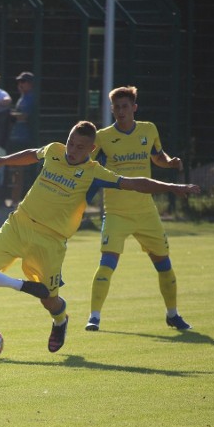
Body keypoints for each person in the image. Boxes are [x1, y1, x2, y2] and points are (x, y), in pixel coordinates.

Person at [0, 120, 200, 353]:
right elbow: (32, 154)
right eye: (70, 143)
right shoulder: (54, 151)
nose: (71, 150)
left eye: (78, 147)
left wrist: (173, 187)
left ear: (91, 149)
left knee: (48, 299)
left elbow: (134, 182)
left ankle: (60, 320)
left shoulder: (94, 172)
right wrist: (1, 161)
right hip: (17, 226)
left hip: (50, 242)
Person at [85, 86, 189, 333]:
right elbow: (88, 169)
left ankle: (173, 315)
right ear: (112, 109)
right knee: (107, 262)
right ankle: (94, 317)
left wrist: (170, 162)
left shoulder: (148, 129)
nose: (120, 111)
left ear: (134, 108)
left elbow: (157, 155)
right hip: (116, 213)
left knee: (163, 263)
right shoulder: (102, 137)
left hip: (146, 212)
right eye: (116, 107)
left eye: (125, 106)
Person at [8, 71, 36, 205]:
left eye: (23, 82)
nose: (20, 84)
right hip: (16, 138)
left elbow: (24, 116)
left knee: (19, 172)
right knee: (15, 170)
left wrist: (9, 115)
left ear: (30, 84)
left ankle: (17, 201)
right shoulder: (22, 98)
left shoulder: (31, 98)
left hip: (24, 139)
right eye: (19, 82)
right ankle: (14, 200)